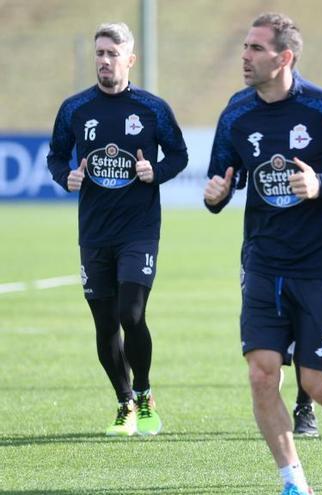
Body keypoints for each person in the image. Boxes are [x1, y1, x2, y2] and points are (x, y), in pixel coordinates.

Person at [203, 13, 322, 495]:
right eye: (244, 46)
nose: (244, 56)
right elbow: (222, 177)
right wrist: (216, 195)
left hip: (320, 267)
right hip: (263, 262)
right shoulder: (237, 112)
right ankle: (293, 481)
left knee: (317, 385)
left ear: (284, 58)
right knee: (262, 374)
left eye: (255, 49)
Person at [46, 21, 188, 437]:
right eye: (99, 54)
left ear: (130, 59)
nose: (104, 61)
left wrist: (154, 170)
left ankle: (144, 396)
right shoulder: (75, 108)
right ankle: (124, 403)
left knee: (131, 312)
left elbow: (178, 155)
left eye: (112, 53)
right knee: (105, 323)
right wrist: (65, 176)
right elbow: (56, 155)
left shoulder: (152, 108)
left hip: (139, 229)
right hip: (94, 231)